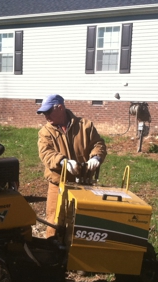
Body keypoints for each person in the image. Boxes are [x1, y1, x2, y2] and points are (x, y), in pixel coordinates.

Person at [37, 94, 107, 237]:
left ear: (60, 107)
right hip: (58, 183)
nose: (46, 116)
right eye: (43, 113)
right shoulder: (45, 131)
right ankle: (52, 249)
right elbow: (46, 153)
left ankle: (76, 251)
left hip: (83, 183)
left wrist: (96, 157)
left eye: (48, 111)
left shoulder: (85, 125)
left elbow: (98, 144)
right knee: (54, 221)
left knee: (81, 222)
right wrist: (63, 161)